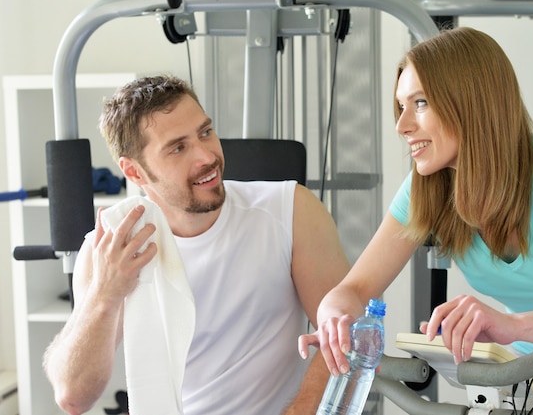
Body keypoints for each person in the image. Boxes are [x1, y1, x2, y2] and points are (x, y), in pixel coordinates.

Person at [299, 26, 533, 413]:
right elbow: (354, 289)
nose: (402, 125)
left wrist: (516, 325)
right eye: (401, 106)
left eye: (419, 103)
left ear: (472, 102)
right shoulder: (428, 189)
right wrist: (334, 315)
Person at [43, 75, 351, 415]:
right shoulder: (111, 245)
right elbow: (72, 397)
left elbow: (346, 338)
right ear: (134, 172)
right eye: (178, 147)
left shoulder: (290, 209)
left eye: (205, 132)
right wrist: (105, 295)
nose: (207, 156)